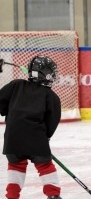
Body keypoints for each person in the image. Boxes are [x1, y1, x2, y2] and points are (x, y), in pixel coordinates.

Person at [0, 56, 62, 199]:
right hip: (36, 139)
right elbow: (52, 121)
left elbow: (1, 106)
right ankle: (53, 195)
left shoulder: (15, 85)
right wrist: (45, 138)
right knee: (45, 166)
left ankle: (12, 196)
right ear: (46, 74)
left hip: (12, 139)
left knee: (16, 167)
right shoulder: (50, 96)